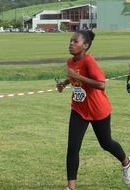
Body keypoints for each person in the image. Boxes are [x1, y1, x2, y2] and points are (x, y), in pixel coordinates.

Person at [56, 30, 130, 190]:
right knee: (73, 147)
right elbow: (73, 76)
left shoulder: (89, 61)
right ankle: (71, 187)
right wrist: (64, 83)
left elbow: (101, 83)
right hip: (78, 109)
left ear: (85, 46)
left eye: (75, 41)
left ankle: (126, 162)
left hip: (98, 110)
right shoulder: (70, 61)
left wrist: (78, 77)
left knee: (106, 143)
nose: (71, 43)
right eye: (70, 41)